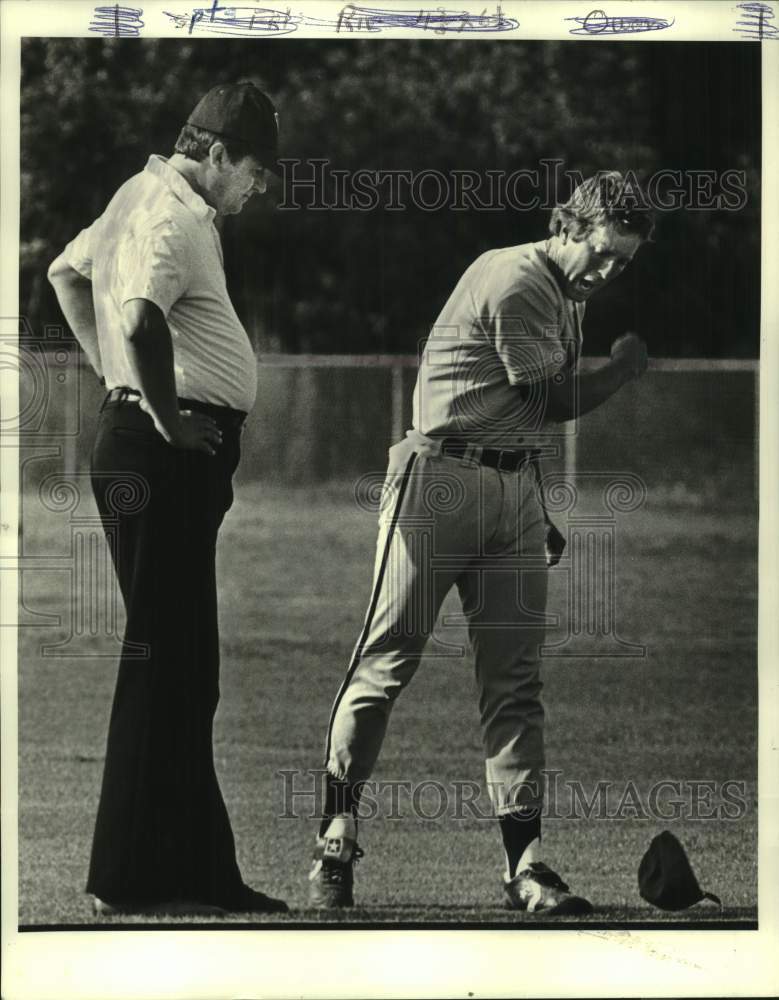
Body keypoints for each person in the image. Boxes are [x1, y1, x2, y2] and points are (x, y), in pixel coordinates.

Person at [308, 171, 653, 915]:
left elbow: (518, 417)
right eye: (601, 251)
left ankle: (524, 866)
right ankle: (336, 832)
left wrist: (530, 505)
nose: (607, 270)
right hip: (438, 482)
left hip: (511, 489)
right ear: (565, 227)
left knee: (515, 683)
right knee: (386, 659)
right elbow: (549, 400)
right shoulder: (516, 277)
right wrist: (624, 370)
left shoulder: (566, 292)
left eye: (621, 261)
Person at [47, 82, 288, 916]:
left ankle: (195, 873)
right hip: (163, 458)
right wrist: (157, 409)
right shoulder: (173, 215)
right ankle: (126, 878)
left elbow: (64, 275)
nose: (260, 187)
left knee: (185, 668)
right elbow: (145, 320)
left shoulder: (139, 197)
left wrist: (115, 381)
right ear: (215, 154)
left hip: (149, 447)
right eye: (254, 170)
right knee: (165, 662)